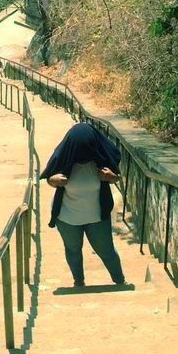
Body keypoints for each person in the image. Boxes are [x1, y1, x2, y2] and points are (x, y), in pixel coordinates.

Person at [40, 122, 127, 288]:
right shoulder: (64, 160)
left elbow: (118, 177)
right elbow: (49, 178)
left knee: (107, 251)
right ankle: (78, 283)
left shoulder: (101, 161)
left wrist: (113, 178)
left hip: (97, 217)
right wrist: (53, 180)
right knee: (73, 251)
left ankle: (120, 281)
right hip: (67, 218)